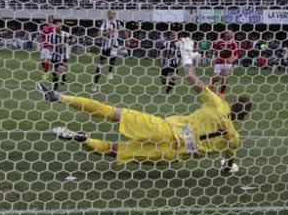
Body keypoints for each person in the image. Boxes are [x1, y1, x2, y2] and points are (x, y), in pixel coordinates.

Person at [40, 46, 251, 172]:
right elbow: (229, 160)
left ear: (231, 104)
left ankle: (59, 96)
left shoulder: (217, 104)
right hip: (172, 153)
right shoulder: (233, 137)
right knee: (117, 151)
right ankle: (83, 139)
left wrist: (187, 56)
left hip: (165, 128)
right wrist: (227, 167)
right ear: (243, 117)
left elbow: (190, 77)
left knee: (114, 112)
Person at [93, 10, 123, 91]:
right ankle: (95, 84)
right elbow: (99, 34)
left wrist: (128, 39)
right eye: (110, 13)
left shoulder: (118, 23)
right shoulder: (104, 23)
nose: (112, 15)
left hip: (114, 43)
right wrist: (106, 33)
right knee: (100, 65)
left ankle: (110, 71)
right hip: (105, 45)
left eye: (114, 14)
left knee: (113, 53)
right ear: (108, 14)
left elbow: (122, 30)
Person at [45, 20, 73, 92]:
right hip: (55, 56)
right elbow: (50, 45)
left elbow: (73, 41)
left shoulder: (66, 34)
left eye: (61, 26)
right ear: (55, 27)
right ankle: (63, 75)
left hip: (64, 56)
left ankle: (54, 87)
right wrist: (51, 50)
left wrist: (69, 44)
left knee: (58, 71)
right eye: (58, 26)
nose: (60, 28)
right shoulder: (51, 35)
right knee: (54, 73)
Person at [210, 29, 239, 96]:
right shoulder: (218, 42)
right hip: (219, 61)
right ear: (225, 34)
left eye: (231, 34)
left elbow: (236, 54)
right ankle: (212, 81)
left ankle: (222, 93)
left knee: (225, 76)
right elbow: (213, 50)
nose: (230, 35)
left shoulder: (234, 43)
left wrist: (232, 59)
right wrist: (218, 54)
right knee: (216, 78)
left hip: (228, 62)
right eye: (228, 33)